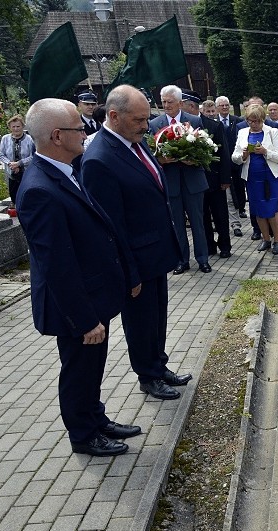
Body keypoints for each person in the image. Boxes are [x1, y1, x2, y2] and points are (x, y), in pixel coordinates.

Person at [17, 97, 139, 456]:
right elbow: (56, 265)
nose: (86, 132)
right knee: (78, 370)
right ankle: (83, 435)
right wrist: (85, 319)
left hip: (93, 295)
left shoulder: (67, 169)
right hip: (75, 307)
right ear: (57, 136)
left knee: (92, 365)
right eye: (77, 127)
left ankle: (95, 417)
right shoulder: (40, 189)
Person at [82, 85, 192, 402]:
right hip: (135, 261)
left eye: (147, 118)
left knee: (157, 316)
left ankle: (159, 365)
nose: (146, 126)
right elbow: (110, 227)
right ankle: (148, 375)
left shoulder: (133, 143)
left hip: (155, 252)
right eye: (139, 120)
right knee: (140, 321)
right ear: (114, 116)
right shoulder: (100, 159)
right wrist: (128, 273)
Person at [149, 85, 211, 274]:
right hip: (171, 181)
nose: (166, 105)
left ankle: (203, 259)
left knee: (198, 223)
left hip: (193, 180)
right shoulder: (155, 124)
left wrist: (195, 159)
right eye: (163, 101)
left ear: (180, 103)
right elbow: (150, 153)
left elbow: (206, 148)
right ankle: (182, 260)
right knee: (176, 224)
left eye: (170, 102)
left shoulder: (194, 120)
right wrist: (160, 160)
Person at [181, 90, 233, 260]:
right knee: (202, 216)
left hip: (215, 179)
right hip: (195, 182)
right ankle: (209, 245)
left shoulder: (213, 126)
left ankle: (224, 245)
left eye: (184, 106)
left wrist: (225, 179)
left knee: (220, 215)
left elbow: (224, 154)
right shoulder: (181, 128)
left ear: (192, 107)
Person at [232, 104, 278, 254]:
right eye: (250, 121)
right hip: (252, 178)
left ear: (263, 119)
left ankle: (277, 240)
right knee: (258, 210)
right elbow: (234, 157)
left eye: (257, 121)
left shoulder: (272, 132)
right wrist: (243, 155)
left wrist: (265, 151)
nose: (254, 124)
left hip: (270, 177)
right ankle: (266, 239)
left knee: (272, 209)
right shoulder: (242, 132)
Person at [215, 96, 246, 236]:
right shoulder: (213, 122)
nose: (225, 107)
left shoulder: (237, 121)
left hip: (235, 160)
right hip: (220, 162)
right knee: (227, 193)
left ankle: (241, 208)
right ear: (217, 107)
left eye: (227, 105)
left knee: (239, 187)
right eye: (222, 105)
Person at [0, 114, 34, 212]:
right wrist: (11, 164)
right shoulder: (5, 139)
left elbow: (33, 156)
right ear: (9, 127)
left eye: (18, 126)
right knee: (13, 194)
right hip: (11, 172)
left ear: (23, 126)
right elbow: (1, 155)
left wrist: (19, 163)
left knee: (27, 194)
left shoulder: (29, 139)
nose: (16, 129)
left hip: (26, 172)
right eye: (13, 126)